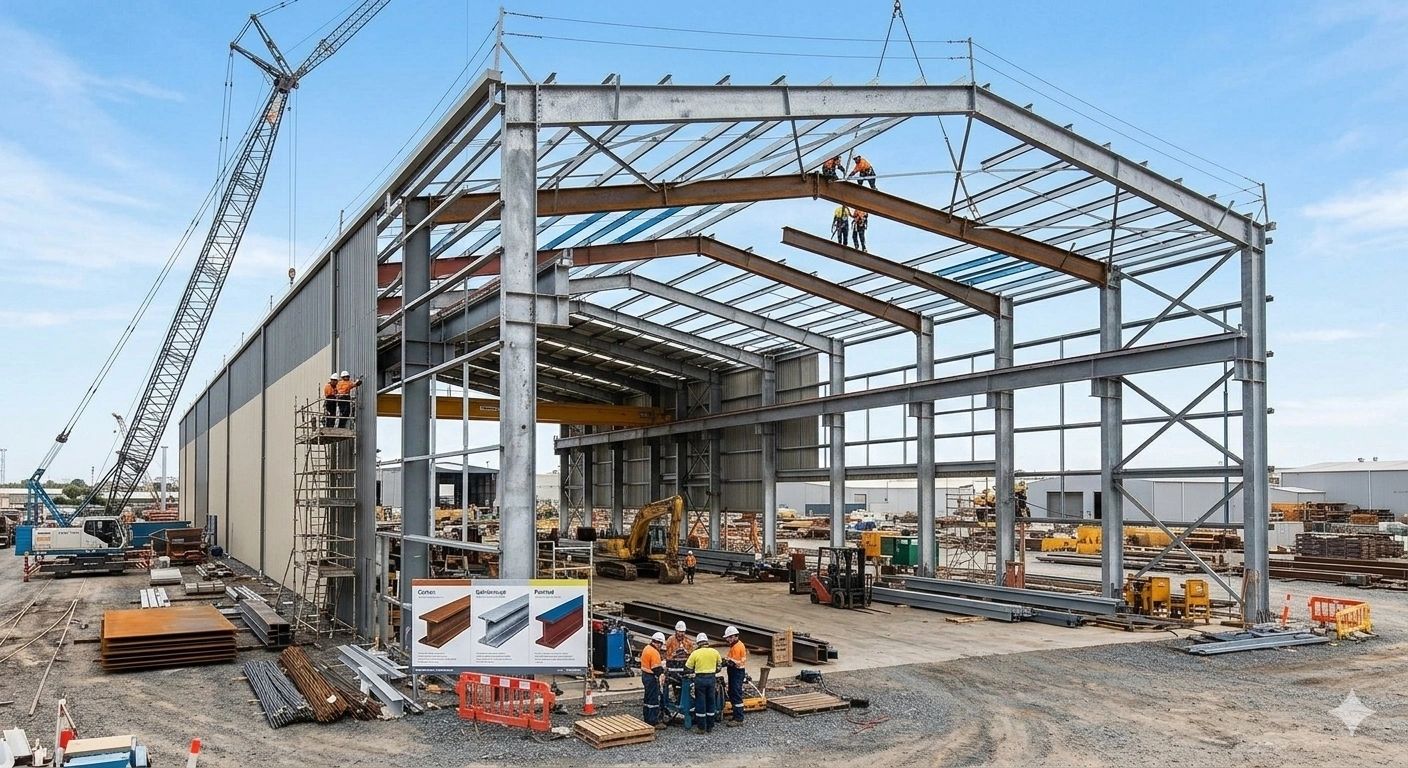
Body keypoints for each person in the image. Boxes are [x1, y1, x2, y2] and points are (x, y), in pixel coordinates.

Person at [684, 632, 723, 734]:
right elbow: (719, 667)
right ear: (707, 642)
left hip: (700, 680)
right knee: (711, 701)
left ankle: (701, 727)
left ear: (698, 643)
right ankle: (710, 726)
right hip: (711, 679)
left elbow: (687, 668)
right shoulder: (715, 652)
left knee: (700, 702)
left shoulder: (695, 653)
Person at [640, 632, 667, 729]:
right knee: (653, 700)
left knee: (647, 698)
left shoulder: (647, 648)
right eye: (661, 644)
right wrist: (662, 673)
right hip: (651, 678)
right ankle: (653, 721)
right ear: (658, 643)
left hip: (645, 675)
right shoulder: (654, 652)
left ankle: (647, 718)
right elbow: (656, 669)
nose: (661, 646)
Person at [722, 626, 748, 726]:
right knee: (732, 692)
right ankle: (736, 715)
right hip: (735, 671)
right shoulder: (735, 645)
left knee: (736, 693)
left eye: (728, 637)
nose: (727, 640)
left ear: (733, 636)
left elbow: (733, 662)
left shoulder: (737, 647)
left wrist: (724, 662)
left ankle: (739, 718)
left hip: (736, 672)